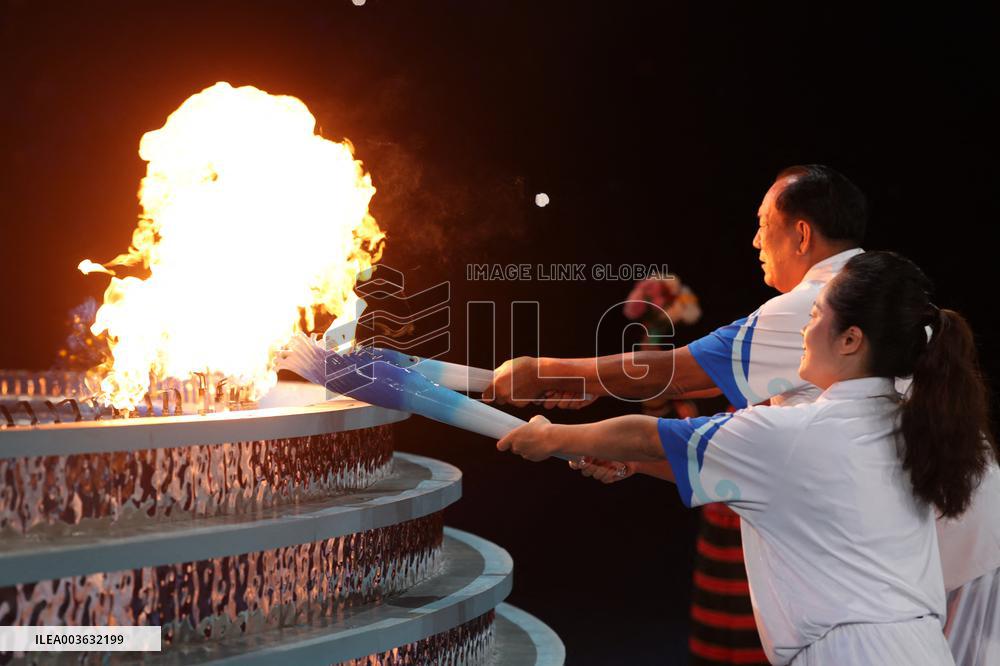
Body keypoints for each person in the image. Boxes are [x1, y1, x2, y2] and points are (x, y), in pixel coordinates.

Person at [487, 165, 1000, 665]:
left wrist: (546, 377)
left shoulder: (828, 304)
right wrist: (620, 449)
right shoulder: (869, 343)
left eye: (762, 225)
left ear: (801, 234)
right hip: (929, 573)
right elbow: (700, 435)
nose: (755, 241)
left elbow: (678, 374)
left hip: (944, 569)